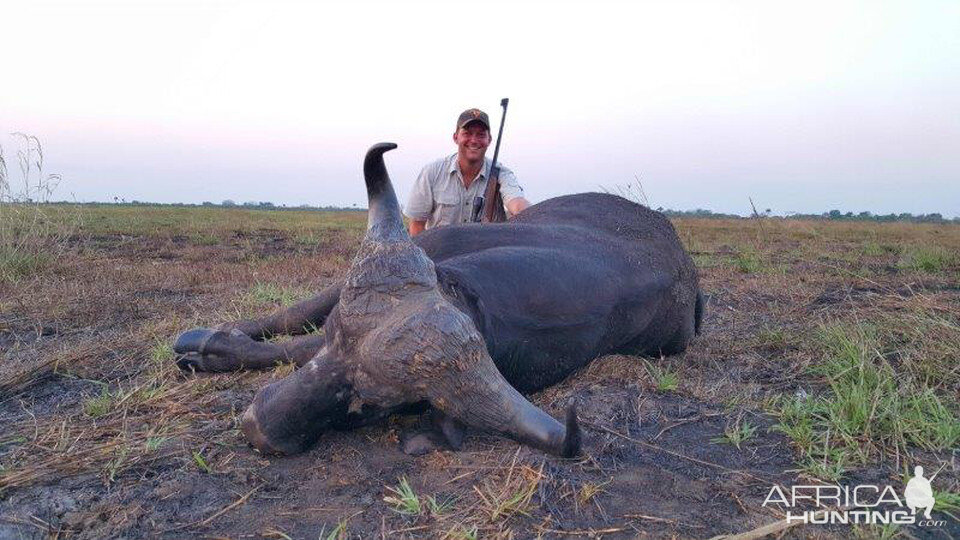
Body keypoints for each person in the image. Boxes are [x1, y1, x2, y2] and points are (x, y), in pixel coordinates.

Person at [404, 108, 531, 236]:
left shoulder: (502, 174)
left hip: (488, 252)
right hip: (441, 254)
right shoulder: (431, 172)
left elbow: (517, 204)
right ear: (455, 137)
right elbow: (416, 225)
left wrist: (536, 215)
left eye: (481, 135)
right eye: (467, 133)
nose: (474, 140)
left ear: (489, 140)